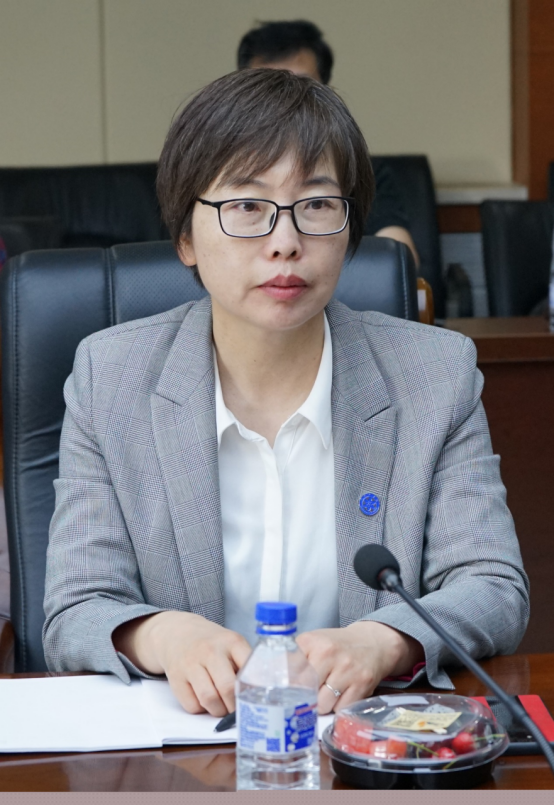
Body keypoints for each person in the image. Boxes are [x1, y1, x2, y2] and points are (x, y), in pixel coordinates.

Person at [43, 69, 529, 719]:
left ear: (350, 230)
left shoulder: (434, 375)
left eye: (317, 205)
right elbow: (75, 607)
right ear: (185, 237)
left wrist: (382, 640)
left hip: (360, 741)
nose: (285, 243)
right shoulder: (112, 378)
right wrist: (162, 635)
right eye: (248, 206)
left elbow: (493, 587)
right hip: (185, 750)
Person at [237, 19, 418, 263]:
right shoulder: (216, 172)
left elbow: (399, 260)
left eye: (302, 85)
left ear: (325, 94)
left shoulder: (363, 172)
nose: (286, 101)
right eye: (269, 87)